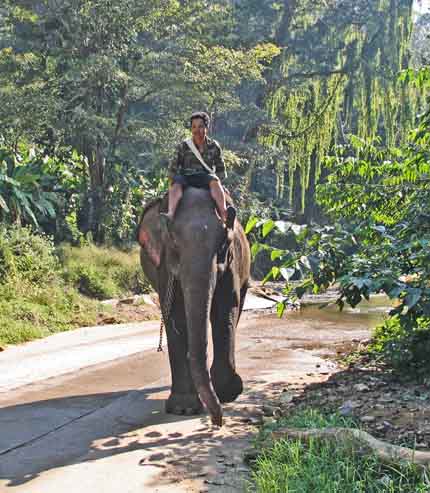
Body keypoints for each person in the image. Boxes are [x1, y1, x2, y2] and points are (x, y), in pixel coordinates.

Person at [160, 112, 236, 229]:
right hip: (187, 176)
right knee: (176, 183)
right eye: (194, 127)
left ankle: (225, 214)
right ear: (191, 129)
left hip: (206, 177)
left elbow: (220, 169)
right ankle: (170, 214)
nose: (197, 130)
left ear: (206, 128)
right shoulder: (183, 146)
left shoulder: (214, 146)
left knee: (215, 181)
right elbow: (173, 168)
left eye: (200, 126)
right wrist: (172, 180)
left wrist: (221, 184)